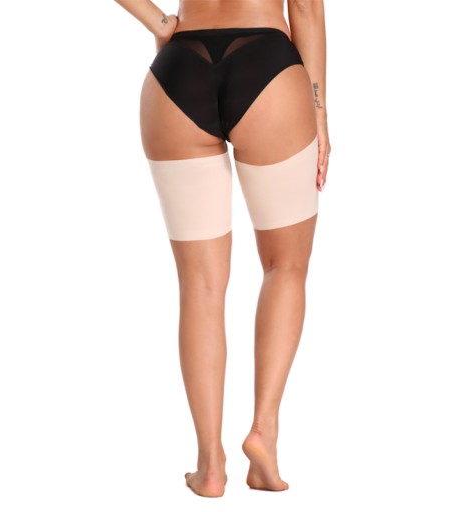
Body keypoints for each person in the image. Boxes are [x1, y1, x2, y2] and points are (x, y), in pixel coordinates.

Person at [114, 0, 331, 498]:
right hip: (270, 69)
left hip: (179, 70)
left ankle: (209, 465)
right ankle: (263, 432)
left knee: (200, 285)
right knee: (285, 265)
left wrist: (159, 23)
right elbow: (306, 8)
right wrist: (318, 109)